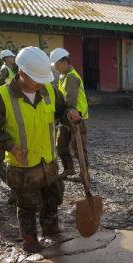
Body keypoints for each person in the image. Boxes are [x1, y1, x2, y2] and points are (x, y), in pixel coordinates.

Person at [0, 46, 81, 253]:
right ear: (21, 74)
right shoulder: (1, 98)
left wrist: (69, 114)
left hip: (47, 160)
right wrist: (9, 146)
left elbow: (62, 108)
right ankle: (30, 241)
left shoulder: (48, 90)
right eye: (36, 80)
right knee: (27, 204)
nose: (40, 85)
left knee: (52, 197)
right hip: (21, 165)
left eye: (43, 80)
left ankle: (51, 229)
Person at [50, 48, 89, 182]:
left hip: (77, 118)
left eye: (57, 64)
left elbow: (70, 101)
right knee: (60, 145)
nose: (55, 68)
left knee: (78, 148)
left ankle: (85, 174)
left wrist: (65, 116)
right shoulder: (63, 76)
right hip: (65, 119)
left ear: (64, 62)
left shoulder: (71, 77)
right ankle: (68, 168)